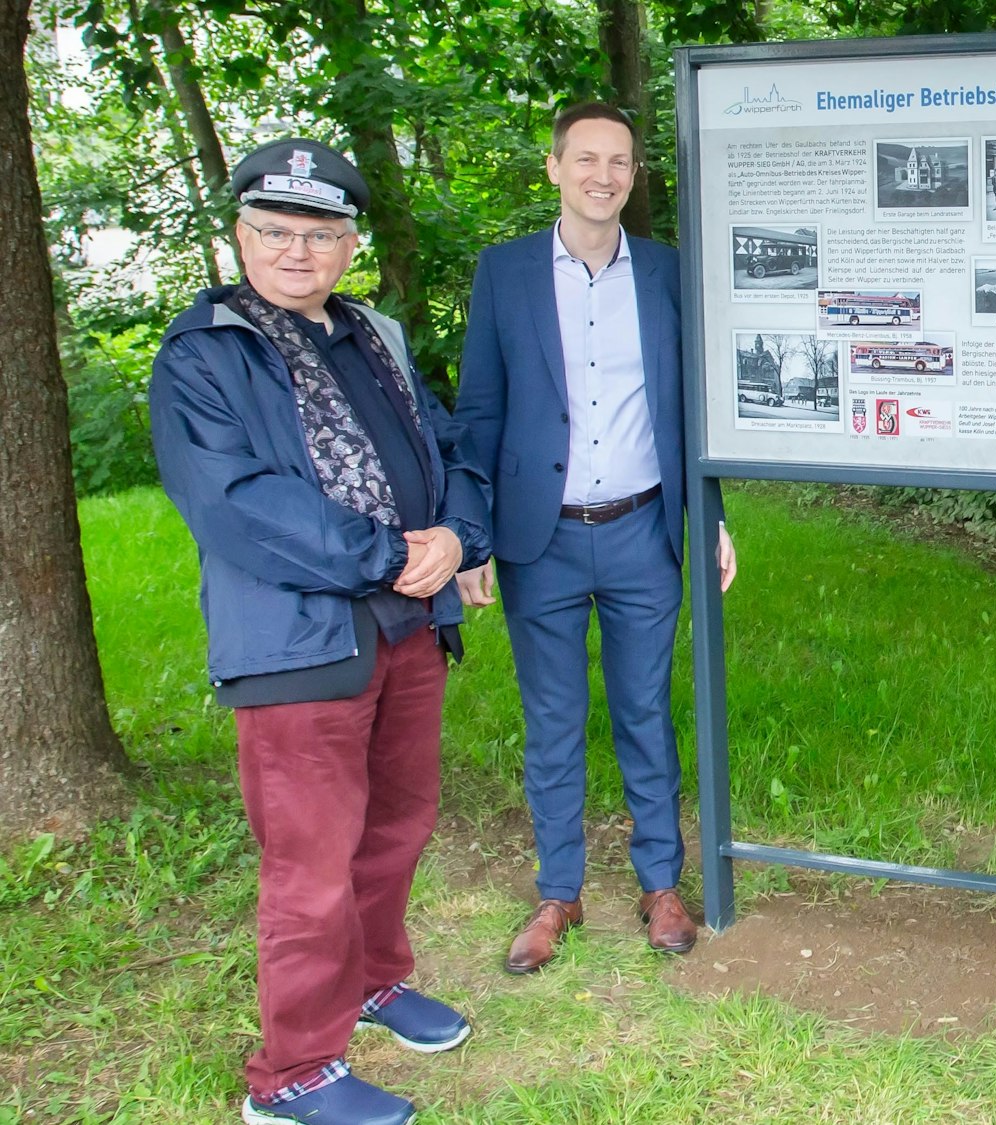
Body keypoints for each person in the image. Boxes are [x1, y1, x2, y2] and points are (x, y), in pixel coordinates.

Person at [151, 138, 490, 1125]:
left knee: (394, 828)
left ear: (350, 244)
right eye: (274, 232)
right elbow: (241, 505)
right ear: (240, 236)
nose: (297, 250)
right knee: (310, 863)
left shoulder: (368, 333)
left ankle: (374, 983)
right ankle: (292, 1076)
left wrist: (459, 537)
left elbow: (447, 439)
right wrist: (391, 554)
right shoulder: (205, 352)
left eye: (320, 233)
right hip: (298, 647)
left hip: (405, 629)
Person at [454, 103, 738, 975]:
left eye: (619, 161)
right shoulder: (502, 276)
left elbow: (696, 404)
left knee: (646, 709)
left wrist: (711, 512)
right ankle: (559, 891)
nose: (603, 175)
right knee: (552, 719)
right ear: (554, 168)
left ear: (632, 175)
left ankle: (660, 882)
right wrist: (471, 536)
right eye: (586, 158)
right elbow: (478, 414)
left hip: (642, 532)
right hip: (539, 537)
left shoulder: (666, 273)